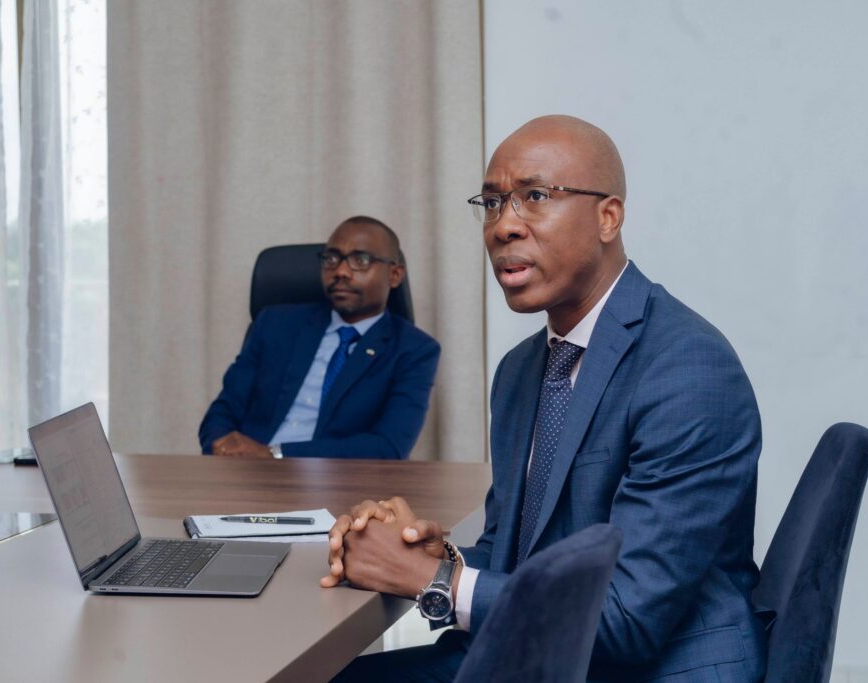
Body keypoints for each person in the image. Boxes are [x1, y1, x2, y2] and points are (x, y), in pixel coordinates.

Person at [323, 116, 767, 681]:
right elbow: (514, 555)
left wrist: (430, 580)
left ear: (608, 217)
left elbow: (627, 620)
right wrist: (434, 555)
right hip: (543, 651)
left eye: (534, 197)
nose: (503, 226)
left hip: (652, 666)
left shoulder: (688, 369)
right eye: (491, 203)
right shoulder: (521, 370)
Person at [198, 216, 440, 459]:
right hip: (247, 471)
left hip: (338, 478)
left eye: (360, 260)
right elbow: (223, 411)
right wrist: (223, 445)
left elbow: (388, 446)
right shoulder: (275, 324)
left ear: (394, 274)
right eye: (331, 259)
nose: (341, 271)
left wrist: (274, 455)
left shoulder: (414, 350)